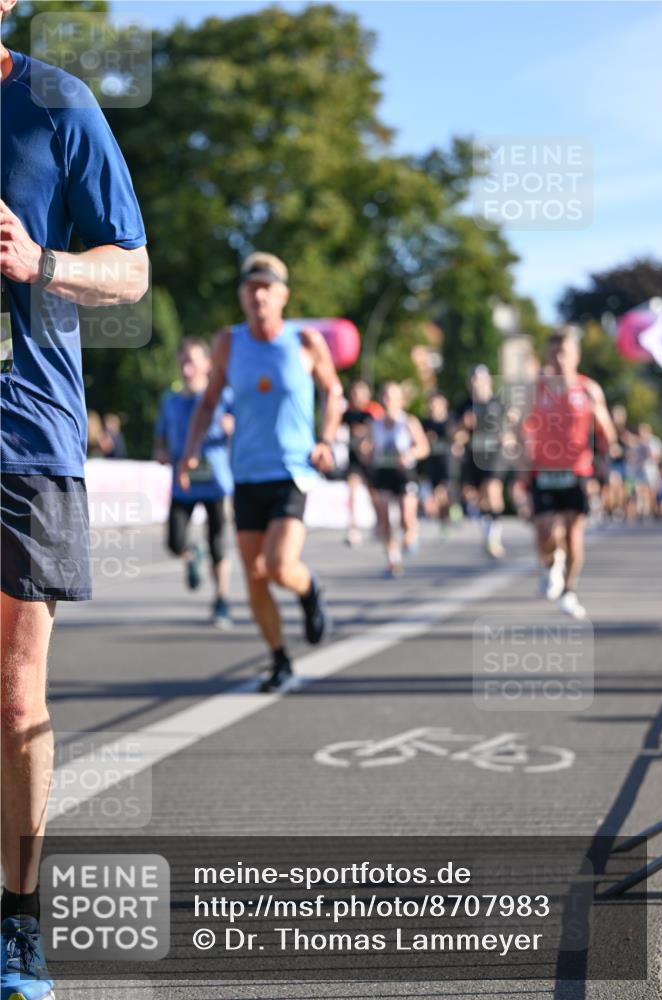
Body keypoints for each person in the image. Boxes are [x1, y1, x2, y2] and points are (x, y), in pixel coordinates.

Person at [0, 10, 149, 1000]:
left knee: (14, 694)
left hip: (24, 433)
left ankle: (18, 921)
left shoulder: (55, 100)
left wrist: (39, 264)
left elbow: (130, 270)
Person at [178, 253, 342, 691]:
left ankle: (309, 592)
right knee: (254, 576)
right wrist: (189, 450)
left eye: (267, 287)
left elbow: (334, 392)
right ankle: (279, 658)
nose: (259, 295)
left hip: (292, 472)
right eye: (251, 288)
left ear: (283, 295)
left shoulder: (305, 341)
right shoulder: (228, 343)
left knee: (277, 565)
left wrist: (325, 439)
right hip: (246, 474)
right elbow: (209, 401)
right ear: (242, 296)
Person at [516, 328, 617, 619]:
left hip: (577, 470)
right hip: (543, 470)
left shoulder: (588, 389)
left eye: (565, 353)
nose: (559, 360)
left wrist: (603, 457)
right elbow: (520, 426)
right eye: (554, 353)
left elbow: (605, 429)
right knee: (545, 531)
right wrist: (523, 457)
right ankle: (550, 564)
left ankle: (570, 590)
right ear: (547, 356)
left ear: (576, 356)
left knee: (573, 534)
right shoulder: (535, 389)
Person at [154, 338, 234, 629]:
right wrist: (161, 451)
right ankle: (190, 554)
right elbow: (160, 437)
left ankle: (222, 601)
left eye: (193, 359)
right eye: (183, 359)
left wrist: (232, 428)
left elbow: (245, 428)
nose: (187, 366)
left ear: (207, 364)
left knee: (219, 545)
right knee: (174, 542)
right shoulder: (170, 400)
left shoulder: (223, 397)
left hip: (216, 482)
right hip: (183, 483)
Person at [370, 381, 430, 577]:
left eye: (392, 397)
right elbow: (366, 449)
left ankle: (412, 530)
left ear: (400, 401)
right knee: (385, 518)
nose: (388, 401)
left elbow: (424, 447)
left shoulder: (408, 422)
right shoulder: (374, 424)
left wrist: (410, 454)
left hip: (404, 474)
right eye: (385, 396)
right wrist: (366, 453)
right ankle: (393, 560)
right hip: (383, 473)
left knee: (405, 517)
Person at [458, 364, 508, 558]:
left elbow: (511, 424)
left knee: (493, 490)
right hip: (473, 455)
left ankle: (494, 537)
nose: (475, 383)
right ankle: (489, 532)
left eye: (479, 378)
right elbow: (455, 434)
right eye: (472, 379)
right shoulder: (464, 405)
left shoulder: (498, 403)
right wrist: (462, 426)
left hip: (494, 453)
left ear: (488, 380)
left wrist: (508, 435)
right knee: (477, 497)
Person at [340, 379, 377, 546]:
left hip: (371, 460)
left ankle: (379, 522)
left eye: (361, 392)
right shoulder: (346, 414)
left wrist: (366, 439)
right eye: (354, 392)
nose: (357, 396)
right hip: (354, 459)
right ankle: (353, 528)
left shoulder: (373, 412)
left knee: (373, 493)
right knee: (352, 491)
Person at [419, 391, 456, 532]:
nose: (433, 407)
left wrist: (456, 440)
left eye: (437, 404)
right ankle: (444, 519)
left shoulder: (451, 421)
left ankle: (449, 514)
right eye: (431, 405)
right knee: (438, 496)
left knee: (442, 492)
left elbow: (460, 436)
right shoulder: (425, 423)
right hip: (431, 464)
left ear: (444, 405)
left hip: (448, 463)